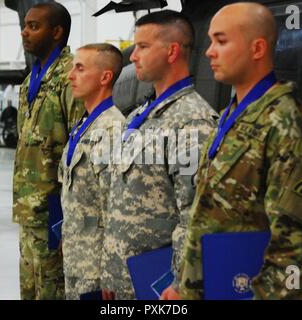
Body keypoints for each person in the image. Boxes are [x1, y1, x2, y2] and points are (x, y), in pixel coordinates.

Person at [169, 2, 302, 300]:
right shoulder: (232, 117)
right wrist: (183, 283)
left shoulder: (288, 126)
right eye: (210, 41)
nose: (209, 51)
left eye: (221, 41)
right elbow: (208, 213)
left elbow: (296, 250)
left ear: (257, 49)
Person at [101, 10, 219, 299]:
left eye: (142, 47)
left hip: (157, 286)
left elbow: (193, 215)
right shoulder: (141, 115)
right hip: (122, 279)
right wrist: (109, 272)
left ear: (172, 51)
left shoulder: (193, 121)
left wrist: (180, 283)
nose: (132, 56)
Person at [12, 2, 85, 300]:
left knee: (53, 291)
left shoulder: (71, 76)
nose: (24, 32)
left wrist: (70, 217)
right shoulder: (33, 77)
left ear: (57, 32)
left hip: (55, 210)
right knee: (30, 290)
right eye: (25, 25)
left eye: (33, 26)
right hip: (29, 209)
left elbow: (79, 148)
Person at [58, 43, 125, 300]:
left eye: (79, 68)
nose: (70, 75)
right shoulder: (85, 124)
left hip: (97, 267)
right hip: (78, 258)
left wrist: (111, 268)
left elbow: (115, 205)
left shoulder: (112, 130)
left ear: (105, 77)